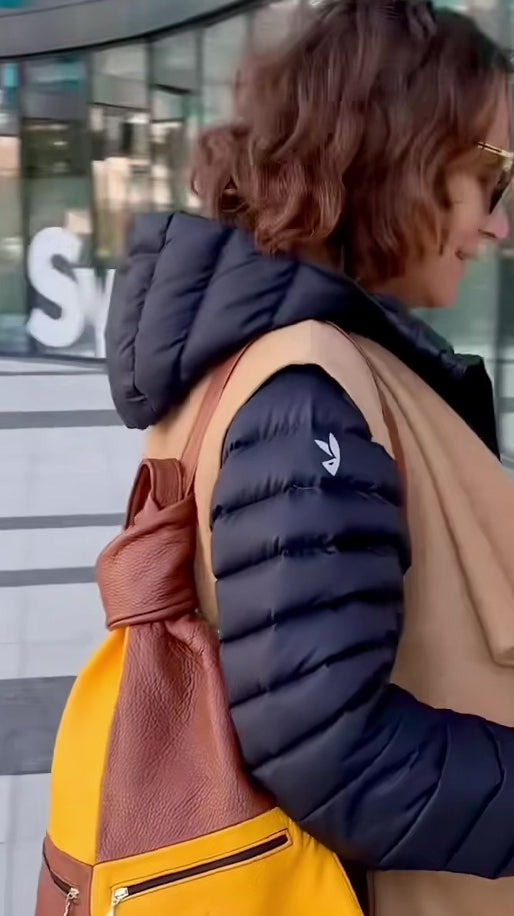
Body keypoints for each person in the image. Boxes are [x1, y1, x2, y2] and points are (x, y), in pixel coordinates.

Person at [106, 0, 514, 912]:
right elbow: (331, 749)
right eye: (494, 176)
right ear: (398, 157)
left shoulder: (308, 359)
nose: (499, 225)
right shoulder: (306, 388)